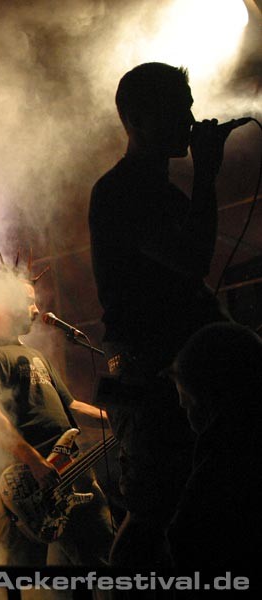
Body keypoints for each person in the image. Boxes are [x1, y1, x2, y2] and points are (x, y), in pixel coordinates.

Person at [88, 62, 232, 567]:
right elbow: (192, 259)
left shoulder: (162, 193)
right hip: (145, 371)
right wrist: (207, 176)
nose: (190, 119)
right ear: (137, 120)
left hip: (164, 368)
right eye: (178, 108)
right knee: (153, 506)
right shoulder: (120, 190)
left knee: (185, 499)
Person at [0, 261, 113, 567]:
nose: (36, 309)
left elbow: (72, 406)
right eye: (28, 301)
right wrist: (34, 460)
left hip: (71, 469)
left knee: (102, 557)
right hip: (27, 482)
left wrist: (116, 416)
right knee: (23, 571)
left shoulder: (34, 355)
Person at [165, 322, 262, 574]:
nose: (187, 416)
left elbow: (186, 541)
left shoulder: (224, 467)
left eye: (187, 403)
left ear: (208, 398)